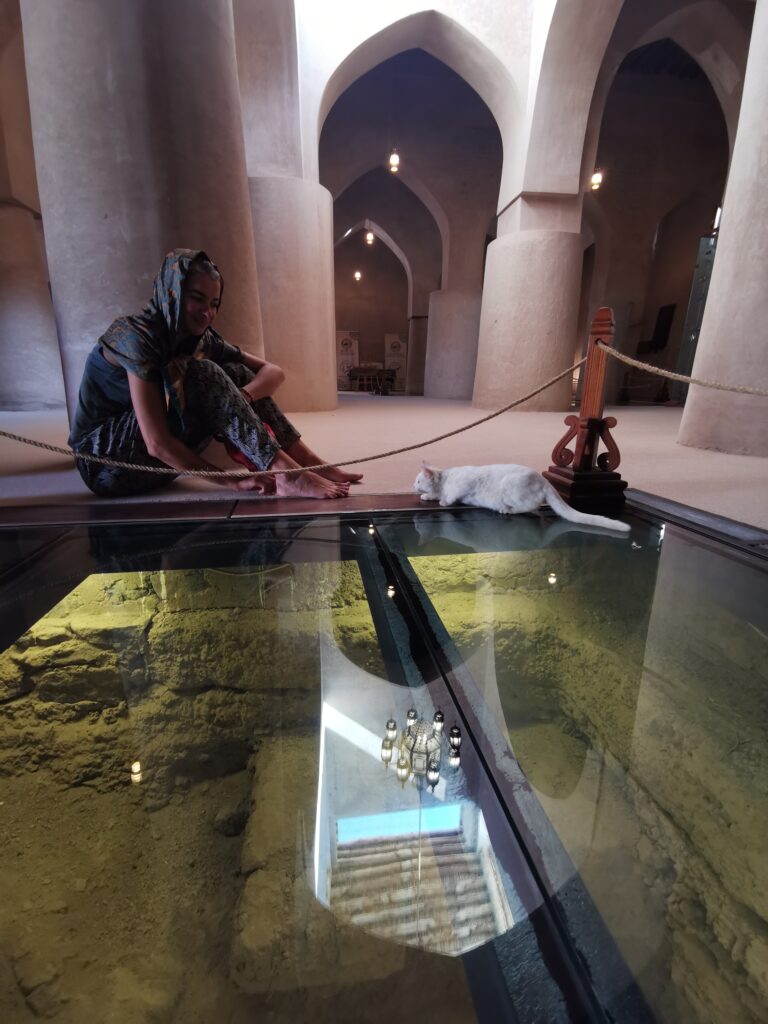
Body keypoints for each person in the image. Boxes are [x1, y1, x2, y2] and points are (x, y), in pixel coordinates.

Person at [69, 249, 363, 499]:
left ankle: (307, 462)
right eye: (197, 299)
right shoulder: (135, 335)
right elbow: (156, 443)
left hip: (154, 464)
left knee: (236, 372)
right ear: (172, 292)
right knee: (203, 373)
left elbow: (273, 372)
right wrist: (231, 481)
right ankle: (286, 473)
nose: (206, 312)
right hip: (106, 465)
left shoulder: (199, 339)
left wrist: (241, 396)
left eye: (214, 304)